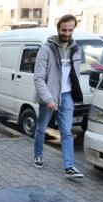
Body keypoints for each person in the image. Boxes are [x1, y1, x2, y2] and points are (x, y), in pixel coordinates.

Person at [33, 14, 84, 178]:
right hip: (50, 95)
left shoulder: (76, 50)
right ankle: (38, 155)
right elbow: (38, 78)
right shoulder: (46, 49)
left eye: (70, 30)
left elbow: (75, 76)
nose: (67, 33)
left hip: (67, 96)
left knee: (67, 132)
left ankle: (69, 167)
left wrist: (74, 97)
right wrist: (48, 99)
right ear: (58, 29)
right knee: (41, 128)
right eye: (64, 30)